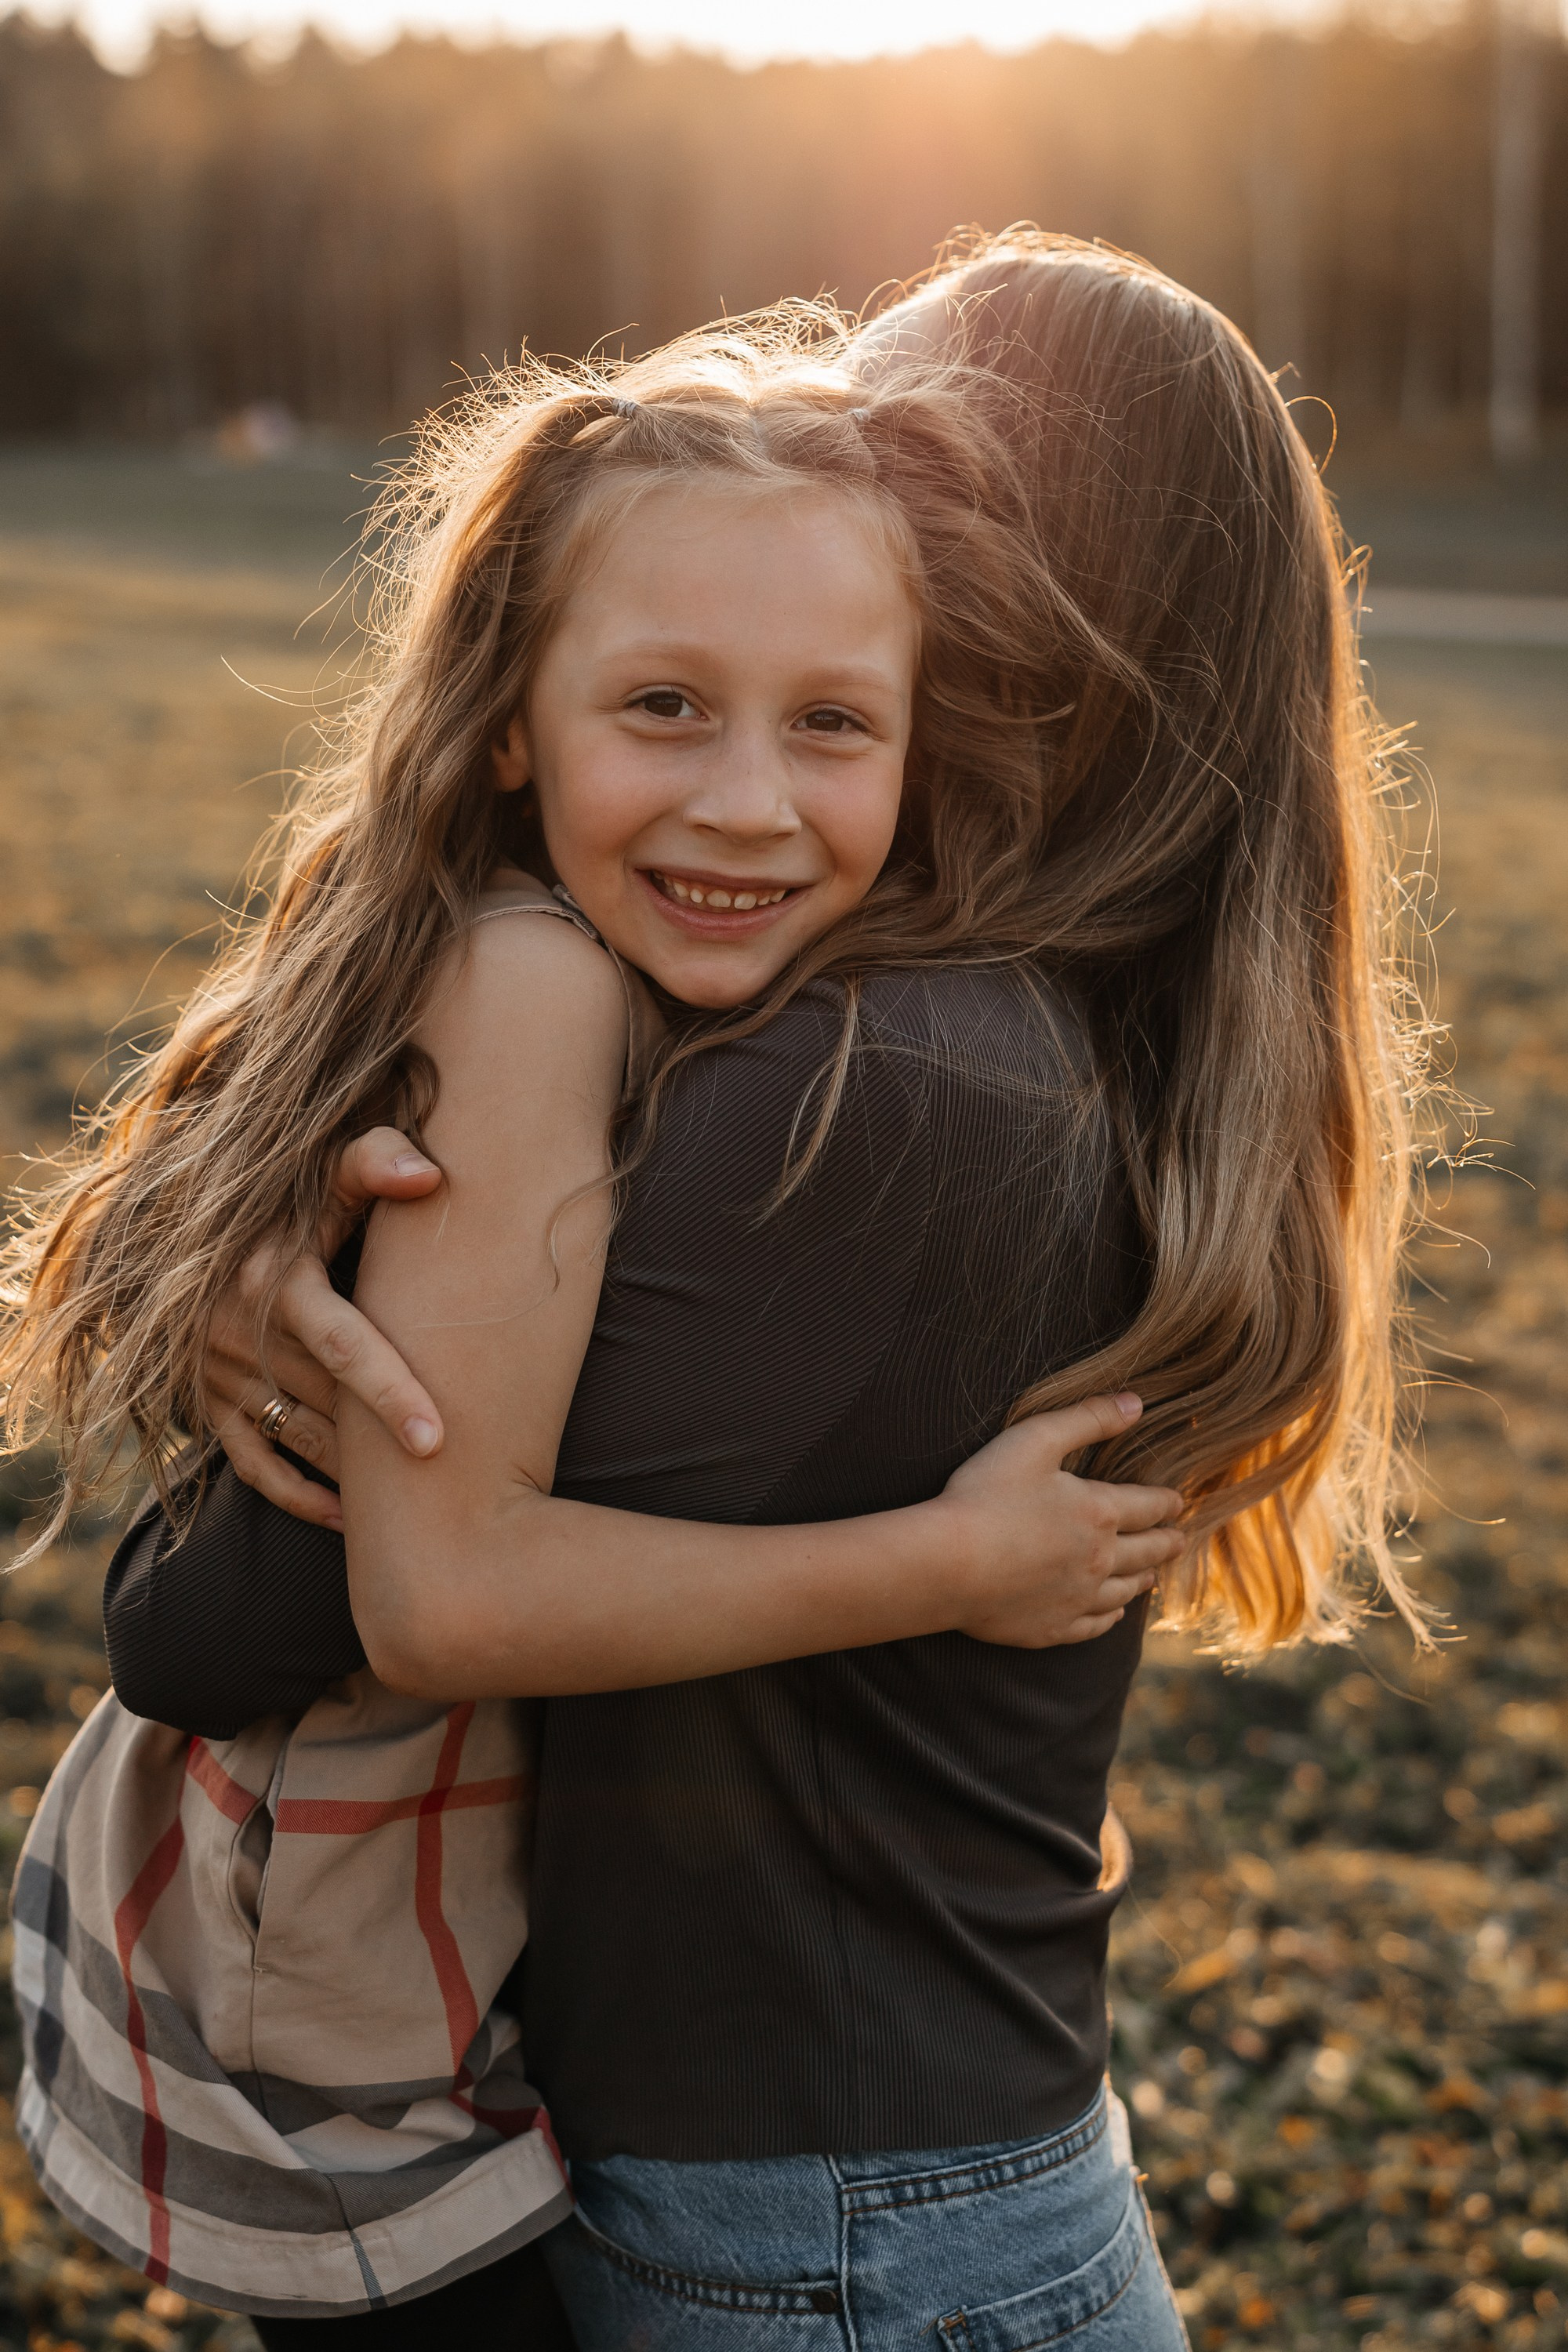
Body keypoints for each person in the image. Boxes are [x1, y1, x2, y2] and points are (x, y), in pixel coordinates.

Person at [172, 234, 1425, 2345]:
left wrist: (267, 1334)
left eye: (889, 436)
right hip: (894, 2194)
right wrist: (278, 1240)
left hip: (844, 2246)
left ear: (1024, 619)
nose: (811, 445)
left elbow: (223, 1611)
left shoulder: (891, 1091)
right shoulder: (933, 1030)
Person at [2, 314, 1188, 2344]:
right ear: (508, 722)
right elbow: (442, 1602)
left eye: (834, 725)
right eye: (664, 706)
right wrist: (960, 1564)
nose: (747, 805)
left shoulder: (579, 961)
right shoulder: (537, 975)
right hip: (352, 2001)